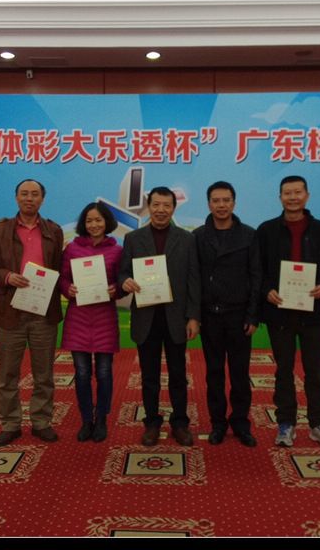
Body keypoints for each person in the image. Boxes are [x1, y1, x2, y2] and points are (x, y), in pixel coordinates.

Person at [256, 176, 320, 450]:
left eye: (297, 192)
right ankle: (286, 423)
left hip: (312, 312)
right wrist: (266, 290)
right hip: (279, 312)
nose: (292, 197)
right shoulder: (267, 230)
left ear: (307, 196)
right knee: (283, 370)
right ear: (280, 197)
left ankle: (319, 423)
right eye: (287, 193)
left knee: (315, 370)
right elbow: (257, 268)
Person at [0, 179, 63, 446]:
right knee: (7, 374)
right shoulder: (0, 230)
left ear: (42, 199)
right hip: (9, 311)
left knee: (44, 374)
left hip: (43, 312)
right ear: (16, 198)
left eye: (35, 194)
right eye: (24, 194)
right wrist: (7, 277)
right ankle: (10, 423)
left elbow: (59, 269)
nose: (29, 198)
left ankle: (41, 421)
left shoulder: (54, 230)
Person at [118, 186, 201, 447]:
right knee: (149, 376)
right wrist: (125, 281)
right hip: (147, 317)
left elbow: (194, 280)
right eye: (156, 205)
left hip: (176, 317)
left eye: (166, 205)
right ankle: (152, 422)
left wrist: (193, 317)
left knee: (178, 375)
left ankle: (180, 422)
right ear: (149, 207)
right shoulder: (133, 238)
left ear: (173, 208)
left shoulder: (187, 239)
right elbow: (122, 272)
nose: (161, 210)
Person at [193, 181, 261, 448]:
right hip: (210, 316)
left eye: (226, 200)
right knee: (214, 373)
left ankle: (241, 423)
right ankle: (218, 423)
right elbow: (193, 279)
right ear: (208, 203)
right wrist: (195, 316)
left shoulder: (249, 235)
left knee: (240, 374)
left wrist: (253, 316)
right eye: (216, 200)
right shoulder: (198, 236)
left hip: (239, 317)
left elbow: (256, 277)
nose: (221, 205)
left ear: (234, 202)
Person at [58, 202, 124, 443]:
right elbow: (62, 278)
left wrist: (116, 289)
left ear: (107, 222)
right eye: (89, 221)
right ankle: (86, 419)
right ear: (83, 224)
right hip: (78, 317)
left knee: (104, 372)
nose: (94, 224)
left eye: (98, 220)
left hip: (105, 317)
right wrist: (68, 289)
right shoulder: (72, 248)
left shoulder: (117, 250)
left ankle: (102, 418)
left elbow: (122, 282)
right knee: (82, 373)